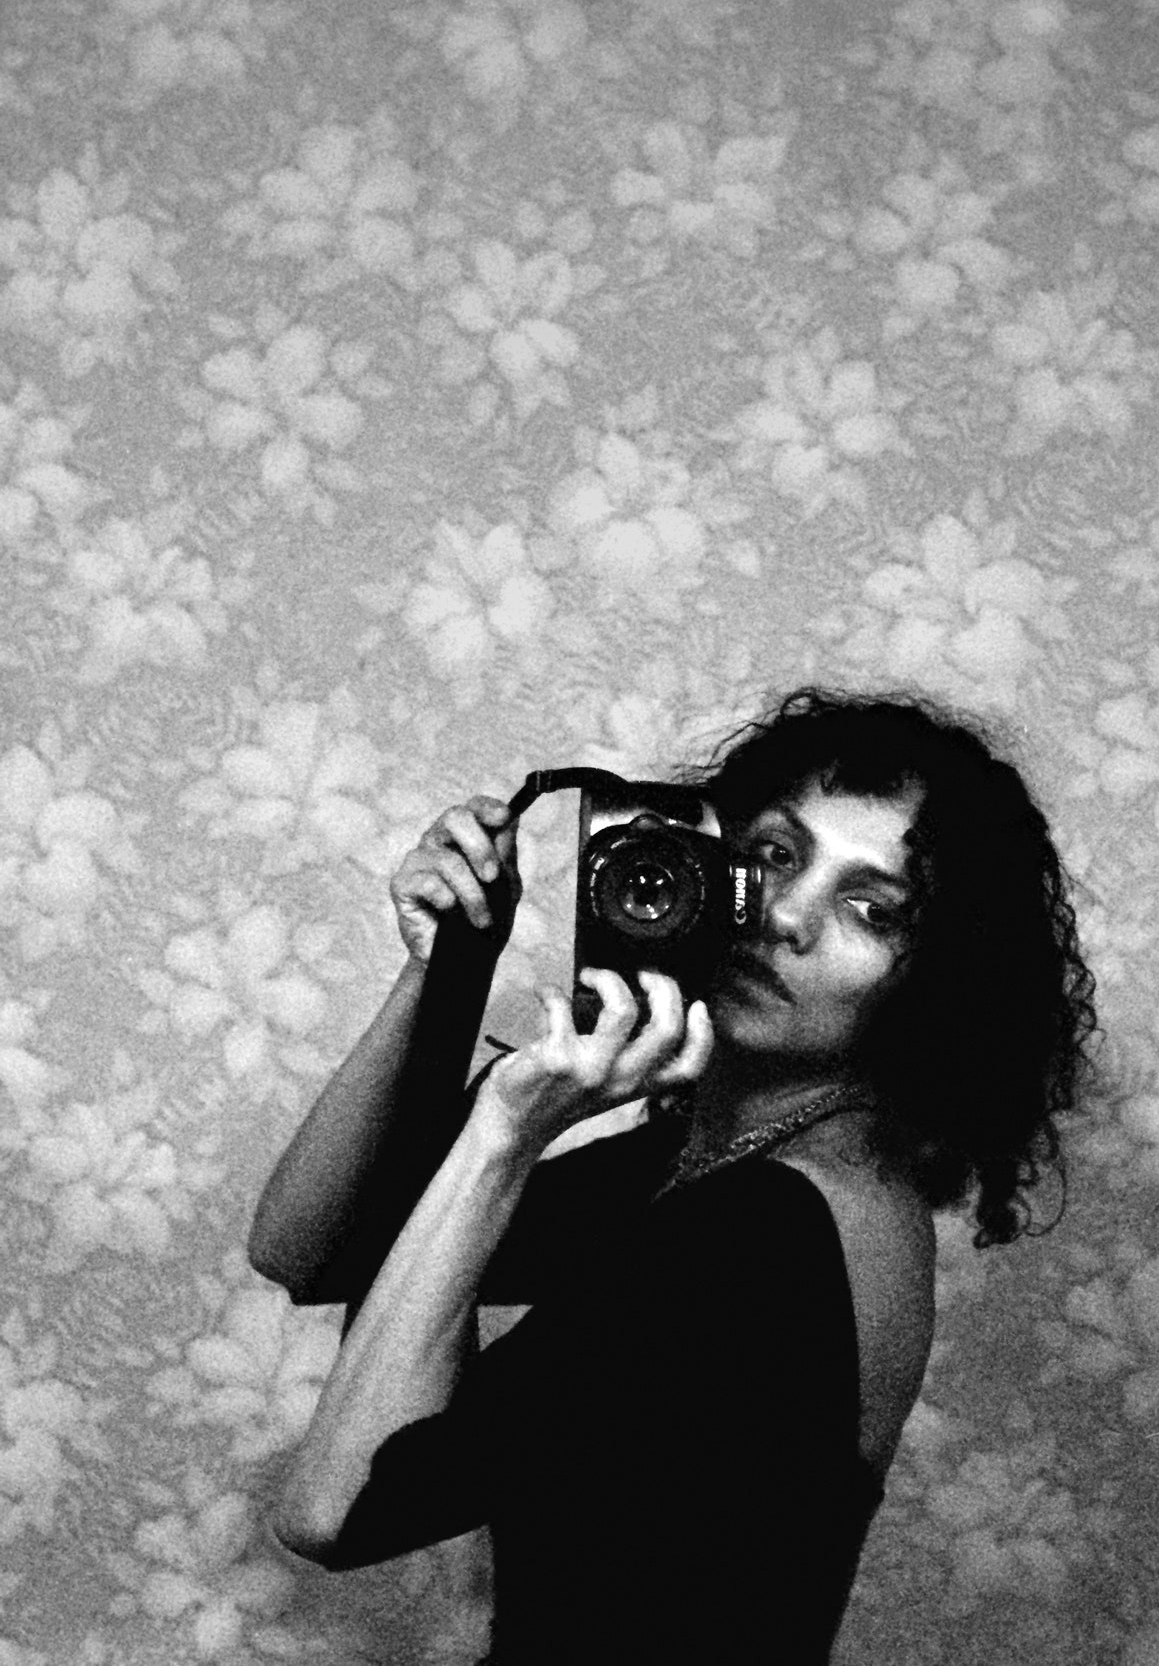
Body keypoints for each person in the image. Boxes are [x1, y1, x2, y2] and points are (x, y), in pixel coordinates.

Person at [250, 686, 1098, 1664]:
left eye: (869, 908)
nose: (786, 916)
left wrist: (502, 1138)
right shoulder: (729, 1154)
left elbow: (331, 1511)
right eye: (776, 855)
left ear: (934, 983)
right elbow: (313, 1251)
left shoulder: (769, 1232)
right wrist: (443, 975)